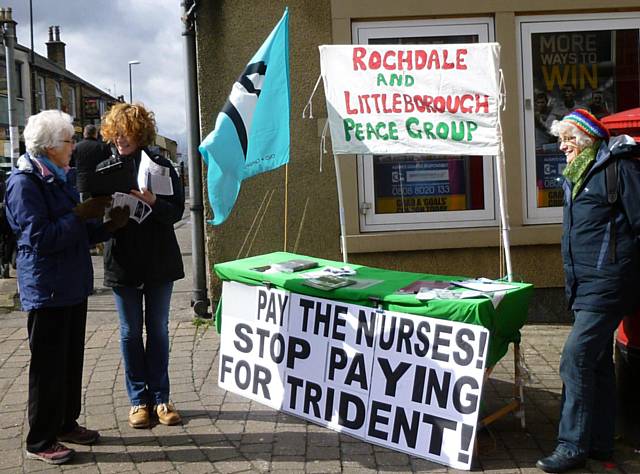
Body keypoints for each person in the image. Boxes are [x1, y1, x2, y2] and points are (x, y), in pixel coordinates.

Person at [4, 110, 129, 465]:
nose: (74, 147)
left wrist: (107, 226)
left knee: (70, 361)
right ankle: (40, 439)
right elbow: (39, 238)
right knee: (48, 366)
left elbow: (77, 231)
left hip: (70, 284)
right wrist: (78, 215)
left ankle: (65, 422)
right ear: (47, 146)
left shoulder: (57, 177)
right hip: (47, 287)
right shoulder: (25, 182)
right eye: (69, 141)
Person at [536, 109, 640, 473]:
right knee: (595, 363)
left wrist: (624, 270)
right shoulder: (576, 175)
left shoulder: (619, 169)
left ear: (585, 140)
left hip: (609, 283)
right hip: (582, 284)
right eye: (560, 139)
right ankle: (598, 443)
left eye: (567, 139)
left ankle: (571, 446)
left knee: (574, 358)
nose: (561, 146)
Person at [100, 103, 185, 429]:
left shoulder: (161, 166)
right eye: (116, 132)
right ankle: (138, 401)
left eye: (127, 132)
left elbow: (176, 211)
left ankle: (161, 398)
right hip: (122, 262)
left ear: (141, 133)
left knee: (159, 331)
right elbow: (95, 215)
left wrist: (153, 202)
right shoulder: (106, 169)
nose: (120, 138)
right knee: (129, 333)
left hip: (158, 260)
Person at [72, 124, 112, 201]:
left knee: (84, 210)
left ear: (84, 133)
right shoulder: (102, 147)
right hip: (100, 184)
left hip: (82, 184)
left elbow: (71, 164)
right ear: (95, 134)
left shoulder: (76, 147)